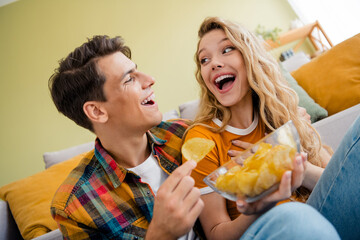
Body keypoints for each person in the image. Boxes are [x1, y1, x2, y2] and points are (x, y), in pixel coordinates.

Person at [183, 17, 359, 240]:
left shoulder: (282, 112)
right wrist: (262, 205)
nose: (214, 63)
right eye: (204, 60)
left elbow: (337, 184)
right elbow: (216, 233)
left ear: (250, 57)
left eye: (227, 50)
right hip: (269, 230)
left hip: (319, 215)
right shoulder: (201, 139)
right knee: (295, 215)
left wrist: (294, 167)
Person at [48, 35, 204, 239]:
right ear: (97, 111)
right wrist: (161, 235)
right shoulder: (74, 206)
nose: (150, 80)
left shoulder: (185, 134)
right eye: (129, 79)